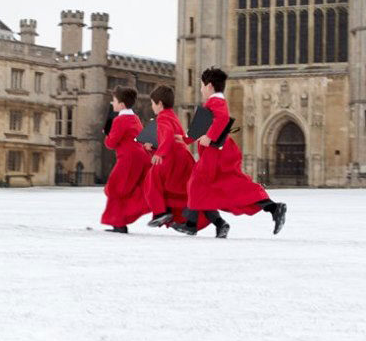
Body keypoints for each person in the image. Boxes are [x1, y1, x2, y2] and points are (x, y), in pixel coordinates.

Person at [182, 67, 287, 238]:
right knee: (226, 186)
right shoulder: (210, 104)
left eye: (201, 86)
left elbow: (222, 119)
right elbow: (194, 132)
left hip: (215, 154)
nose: (200, 89)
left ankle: (192, 224)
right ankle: (273, 208)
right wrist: (180, 139)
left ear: (209, 86)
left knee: (202, 183)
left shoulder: (216, 102)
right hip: (216, 152)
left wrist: (209, 136)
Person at [142, 84, 207, 233]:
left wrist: (159, 153)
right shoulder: (173, 116)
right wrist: (153, 147)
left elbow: (168, 135)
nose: (152, 107)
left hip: (171, 159)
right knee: (181, 192)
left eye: (152, 103)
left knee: (151, 182)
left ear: (159, 104)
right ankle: (189, 221)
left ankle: (161, 212)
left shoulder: (162, 118)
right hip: (184, 158)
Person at [99, 86, 150, 233]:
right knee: (123, 189)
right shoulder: (135, 118)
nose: (112, 103)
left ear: (121, 104)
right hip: (140, 157)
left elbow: (111, 143)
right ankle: (119, 222)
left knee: (115, 188)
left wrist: (107, 133)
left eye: (114, 101)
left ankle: (119, 223)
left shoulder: (120, 120)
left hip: (128, 159)